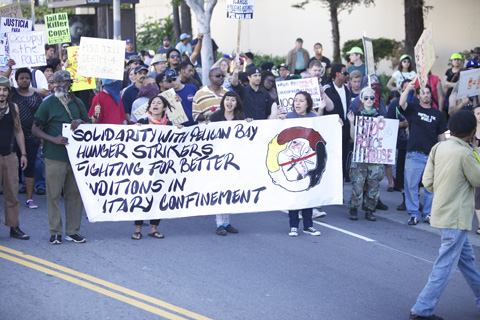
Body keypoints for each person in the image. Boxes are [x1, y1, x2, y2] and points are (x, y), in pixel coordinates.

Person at [409, 110, 480, 320]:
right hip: (457, 217)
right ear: (472, 132)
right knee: (445, 266)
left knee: (465, 261)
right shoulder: (466, 153)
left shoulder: (438, 147)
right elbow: (477, 179)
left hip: (442, 213)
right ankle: (422, 309)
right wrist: (476, 150)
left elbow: (428, 182)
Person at [32, 70, 91, 244]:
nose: (57, 85)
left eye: (61, 82)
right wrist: (54, 140)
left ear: (69, 84)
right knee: (54, 194)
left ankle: (72, 231)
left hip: (75, 158)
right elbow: (35, 129)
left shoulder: (78, 103)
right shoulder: (48, 103)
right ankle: (55, 231)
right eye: (54, 82)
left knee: (74, 195)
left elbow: (88, 124)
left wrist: (80, 122)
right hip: (54, 156)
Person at [399, 80, 447, 226]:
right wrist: (408, 89)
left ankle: (427, 213)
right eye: (423, 93)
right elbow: (401, 104)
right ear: (418, 96)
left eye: (428, 93)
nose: (426, 95)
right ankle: (414, 214)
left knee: (430, 187)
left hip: (432, 155)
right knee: (411, 186)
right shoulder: (412, 108)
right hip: (414, 154)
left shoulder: (437, 114)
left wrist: (444, 152)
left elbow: (441, 136)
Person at [132, 95, 179, 240]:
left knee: (158, 197)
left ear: (164, 108)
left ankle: (154, 228)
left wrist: (180, 131)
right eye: (153, 103)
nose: (155, 105)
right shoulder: (142, 122)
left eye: (159, 103)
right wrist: (135, 131)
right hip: (144, 167)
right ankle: (138, 228)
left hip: (162, 167)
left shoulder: (170, 125)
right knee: (141, 196)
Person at [279, 91, 323, 236]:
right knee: (294, 193)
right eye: (295, 101)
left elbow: (324, 130)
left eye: (301, 101)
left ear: (308, 103)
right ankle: (293, 225)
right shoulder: (289, 117)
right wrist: (278, 118)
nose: (297, 103)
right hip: (292, 159)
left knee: (307, 193)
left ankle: (308, 225)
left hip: (308, 158)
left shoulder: (313, 117)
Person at [208, 91, 246, 236]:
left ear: (237, 103)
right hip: (218, 160)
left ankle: (227, 222)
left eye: (233, 100)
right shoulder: (215, 117)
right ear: (223, 101)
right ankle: (219, 223)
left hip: (234, 161)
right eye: (227, 99)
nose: (229, 103)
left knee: (229, 190)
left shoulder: (240, 119)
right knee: (220, 190)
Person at [346, 87, 385, 222]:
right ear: (361, 99)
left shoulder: (379, 116)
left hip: (374, 156)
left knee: (374, 183)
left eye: (372, 98)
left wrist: (382, 124)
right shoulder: (356, 116)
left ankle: (369, 209)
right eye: (366, 98)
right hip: (360, 154)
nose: (369, 100)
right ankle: (354, 208)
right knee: (358, 182)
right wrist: (351, 123)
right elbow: (353, 137)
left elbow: (384, 138)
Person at [0, 75, 30, 240]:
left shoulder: (13, 107)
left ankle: (14, 226)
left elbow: (18, 131)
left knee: (12, 192)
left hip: (10, 154)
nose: (1, 93)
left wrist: (23, 153)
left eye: (4, 90)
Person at [11, 68, 43, 209]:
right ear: (16, 80)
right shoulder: (11, 93)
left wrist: (40, 134)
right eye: (21, 78)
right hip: (13, 136)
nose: (24, 80)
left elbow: (40, 116)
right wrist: (10, 69)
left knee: (29, 167)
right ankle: (11, 198)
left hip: (31, 137)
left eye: (27, 78)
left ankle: (29, 198)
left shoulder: (36, 96)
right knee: (11, 167)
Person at [324, 64, 351, 182]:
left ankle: (341, 190)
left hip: (344, 131)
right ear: (337, 74)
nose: (347, 75)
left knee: (343, 159)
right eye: (345, 73)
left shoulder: (346, 90)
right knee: (332, 160)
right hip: (331, 131)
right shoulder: (327, 89)